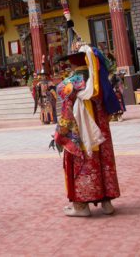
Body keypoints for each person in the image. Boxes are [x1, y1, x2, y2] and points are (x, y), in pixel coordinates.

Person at [53, 46, 121, 217]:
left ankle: (81, 206)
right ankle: (107, 202)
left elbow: (62, 99)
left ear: (72, 62)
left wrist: (61, 132)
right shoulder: (98, 80)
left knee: (82, 163)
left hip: (82, 130)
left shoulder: (71, 82)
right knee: (103, 161)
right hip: (100, 130)